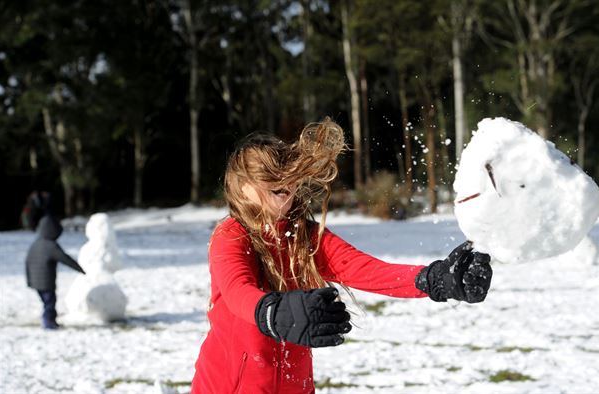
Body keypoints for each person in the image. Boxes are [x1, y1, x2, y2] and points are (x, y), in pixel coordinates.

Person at [190, 118, 493, 393]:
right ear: (243, 189)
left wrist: (432, 279)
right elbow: (236, 291)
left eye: (287, 174)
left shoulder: (303, 235)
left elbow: (360, 268)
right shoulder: (231, 234)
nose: (286, 183)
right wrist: (272, 312)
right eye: (270, 175)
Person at [25, 215, 86, 329]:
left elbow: (27, 261)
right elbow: (65, 259)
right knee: (50, 302)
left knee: (48, 301)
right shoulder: (51, 246)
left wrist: (29, 280)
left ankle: (51, 320)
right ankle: (48, 322)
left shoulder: (36, 243)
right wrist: (81, 269)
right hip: (46, 281)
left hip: (35, 281)